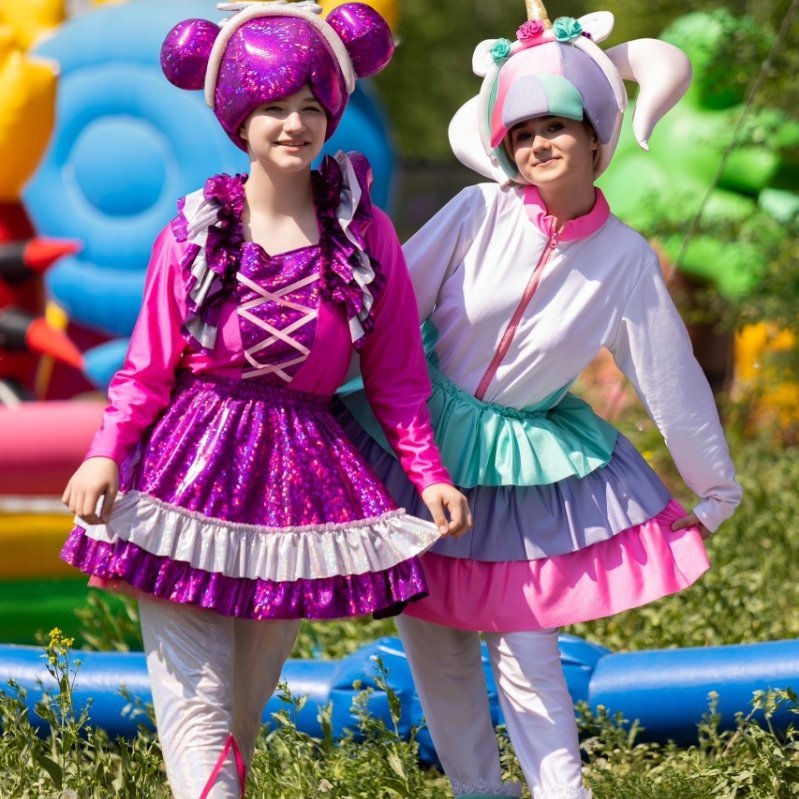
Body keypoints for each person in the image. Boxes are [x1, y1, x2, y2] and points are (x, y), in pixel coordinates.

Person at [60, 2, 470, 797]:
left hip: (300, 483)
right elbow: (147, 366)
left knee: (239, 717)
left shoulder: (366, 235)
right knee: (196, 706)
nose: (294, 123)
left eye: (311, 106)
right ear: (239, 120)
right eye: (274, 106)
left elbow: (395, 375)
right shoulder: (193, 232)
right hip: (185, 471)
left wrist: (428, 473)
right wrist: (105, 451)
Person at [339, 5, 742, 798]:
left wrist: (715, 485)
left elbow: (670, 379)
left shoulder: (624, 258)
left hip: (519, 466)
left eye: (555, 126)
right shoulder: (475, 210)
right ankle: (476, 791)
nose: (537, 145)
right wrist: (316, 382)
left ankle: (564, 792)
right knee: (435, 647)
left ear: (596, 137)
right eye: (520, 134)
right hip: (417, 445)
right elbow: (389, 304)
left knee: (526, 648)